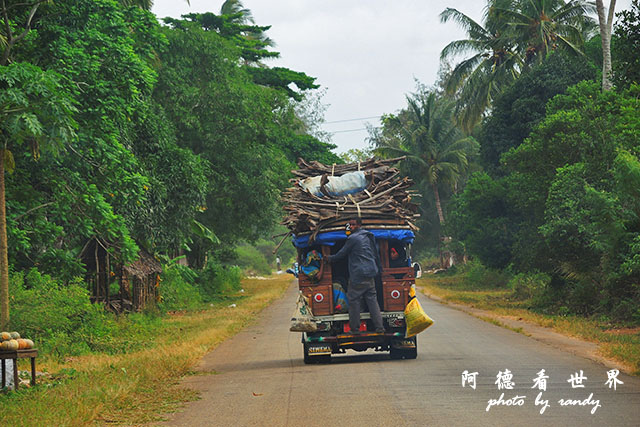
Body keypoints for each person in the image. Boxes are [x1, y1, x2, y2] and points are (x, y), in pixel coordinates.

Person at [325, 218, 385, 334]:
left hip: (358, 274)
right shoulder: (369, 236)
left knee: (353, 299)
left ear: (358, 225)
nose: (351, 227)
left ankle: (355, 328)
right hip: (371, 272)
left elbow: (342, 253)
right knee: (372, 300)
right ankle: (379, 327)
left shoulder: (352, 238)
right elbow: (375, 254)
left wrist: (329, 259)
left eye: (353, 225)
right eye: (350, 225)